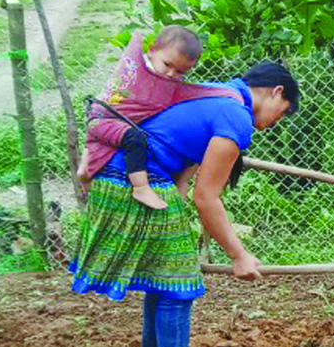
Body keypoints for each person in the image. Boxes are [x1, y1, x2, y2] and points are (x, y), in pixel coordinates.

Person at [69, 61, 300, 347]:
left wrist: (175, 219)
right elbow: (207, 198)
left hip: (122, 179)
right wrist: (239, 256)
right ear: (277, 92)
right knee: (179, 282)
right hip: (136, 182)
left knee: (162, 278)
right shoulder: (234, 115)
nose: (276, 121)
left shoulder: (214, 94)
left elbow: (184, 168)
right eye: (283, 112)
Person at [78, 26, 226, 212]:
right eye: (167, 64)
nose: (172, 74)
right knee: (134, 138)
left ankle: (84, 172)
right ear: (152, 50)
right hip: (103, 118)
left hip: (105, 122)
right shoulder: (139, 69)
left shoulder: (163, 81)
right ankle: (140, 188)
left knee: (103, 147)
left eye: (181, 72)